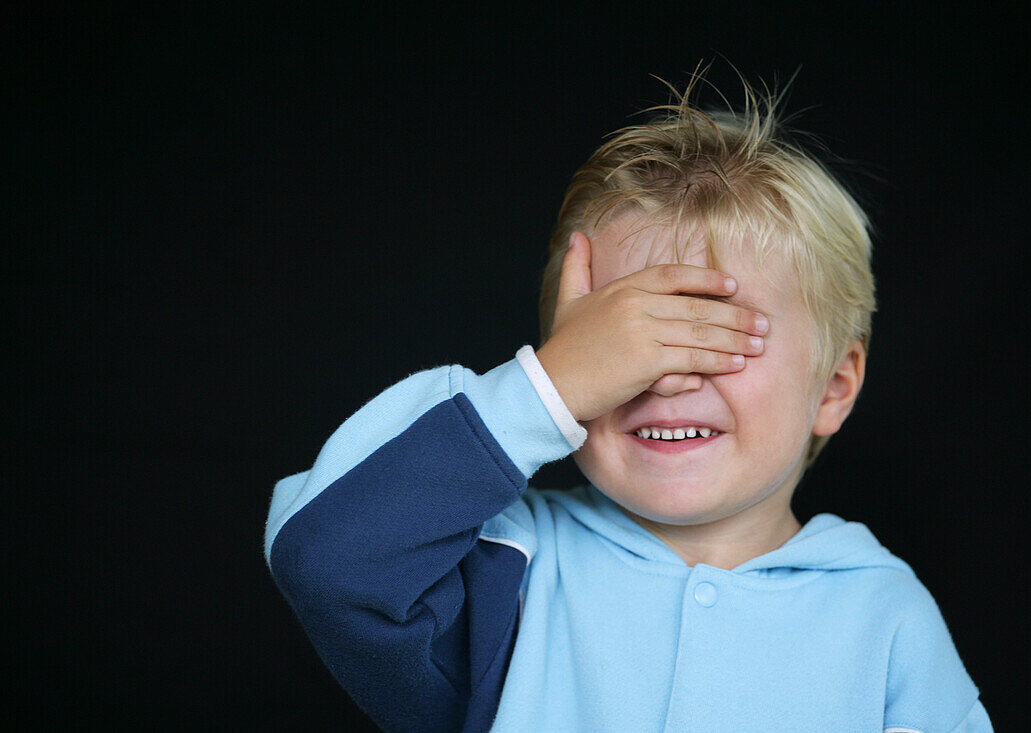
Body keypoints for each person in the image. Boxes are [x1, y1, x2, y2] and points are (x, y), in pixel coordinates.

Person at [264, 71, 993, 732]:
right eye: (617, 348)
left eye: (716, 334)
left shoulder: (887, 618)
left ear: (834, 385)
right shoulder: (507, 570)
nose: (667, 378)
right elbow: (326, 562)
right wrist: (543, 389)